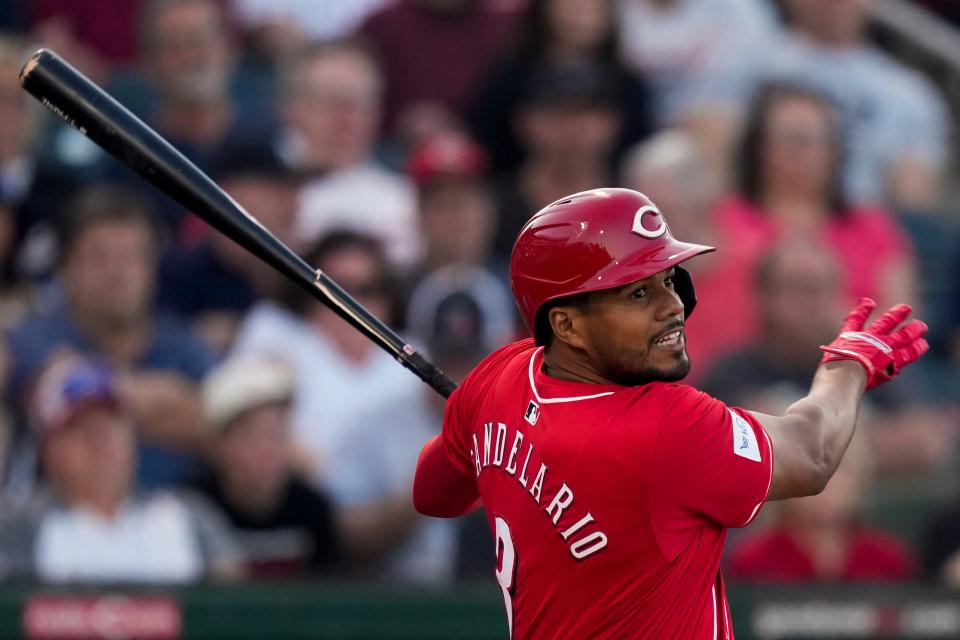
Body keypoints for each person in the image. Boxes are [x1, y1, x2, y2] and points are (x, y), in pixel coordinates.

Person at [412, 188, 928, 638]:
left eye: (669, 278)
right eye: (639, 292)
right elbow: (813, 453)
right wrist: (847, 367)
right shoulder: (664, 425)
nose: (673, 305)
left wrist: (495, 434)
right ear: (567, 326)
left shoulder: (499, 377)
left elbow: (434, 493)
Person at [5, 185, 216, 488]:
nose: (116, 273)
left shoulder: (183, 344)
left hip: (172, 515)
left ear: (152, 268)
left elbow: (215, 426)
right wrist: (169, 400)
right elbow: (49, 392)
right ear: (66, 268)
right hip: (62, 516)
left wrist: (96, 394)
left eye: (130, 258)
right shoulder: (34, 336)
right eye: (99, 258)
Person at [327, 264, 515, 583]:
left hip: (501, 604)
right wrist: (432, 485)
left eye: (471, 361)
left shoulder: (528, 424)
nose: (457, 376)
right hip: (403, 604)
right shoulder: (378, 424)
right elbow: (346, 536)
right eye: (446, 361)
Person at [0, 355, 242, 583]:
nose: (100, 439)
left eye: (112, 423)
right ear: (47, 449)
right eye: (80, 427)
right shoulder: (18, 530)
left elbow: (231, 610)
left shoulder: (190, 517)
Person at [194, 354, 341, 578]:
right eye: (250, 435)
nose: (267, 449)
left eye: (276, 432)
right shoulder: (189, 508)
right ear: (219, 444)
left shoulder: (314, 510)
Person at [727, 431, 916, 583]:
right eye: (809, 470)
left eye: (837, 470)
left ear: (859, 479)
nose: (825, 484)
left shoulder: (887, 559)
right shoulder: (753, 560)